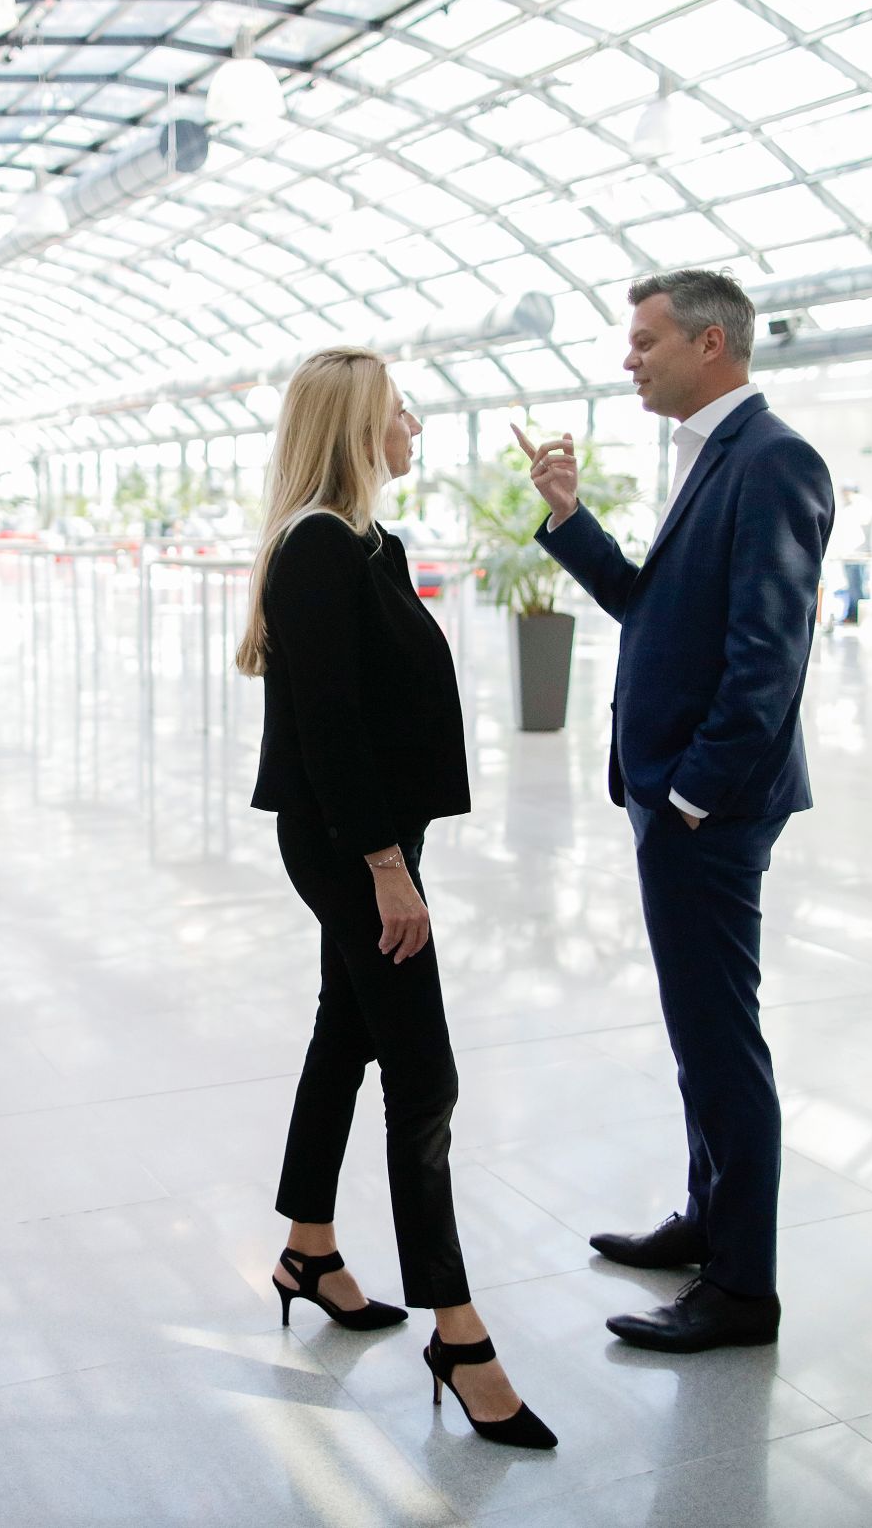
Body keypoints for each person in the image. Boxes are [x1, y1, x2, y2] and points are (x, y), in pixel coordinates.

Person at [236, 347, 555, 1451]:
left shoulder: (373, 542)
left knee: (348, 1033)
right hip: (347, 843)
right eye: (400, 410)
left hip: (378, 835)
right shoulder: (316, 547)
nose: (414, 424)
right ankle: (458, 1334)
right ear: (357, 428)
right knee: (424, 1074)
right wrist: (383, 865)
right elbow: (327, 727)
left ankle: (308, 1247)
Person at [516, 268, 833, 1354]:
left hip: (708, 806)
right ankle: (707, 1219)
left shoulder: (774, 459)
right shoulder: (712, 456)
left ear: (710, 344)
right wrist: (568, 517)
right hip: (676, 797)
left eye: (645, 340)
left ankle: (741, 1288)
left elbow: (768, 651)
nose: (629, 358)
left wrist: (695, 791)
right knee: (698, 1031)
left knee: (720, 1039)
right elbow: (651, 607)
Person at [831, 481, 872, 624]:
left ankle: (859, 617)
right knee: (852, 587)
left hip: (857, 555)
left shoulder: (861, 504)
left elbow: (862, 527)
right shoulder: (848, 507)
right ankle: (852, 614)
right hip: (849, 555)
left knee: (858, 587)